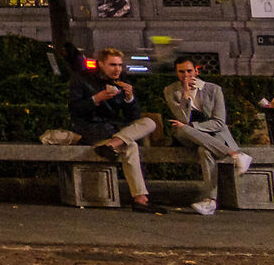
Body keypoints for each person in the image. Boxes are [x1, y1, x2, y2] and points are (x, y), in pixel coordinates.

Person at [69, 47, 156, 212]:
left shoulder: (121, 80)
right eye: (112, 65)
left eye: (120, 65)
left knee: (149, 122)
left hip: (114, 132)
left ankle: (111, 146)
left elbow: (133, 117)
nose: (117, 69)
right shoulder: (82, 79)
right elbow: (74, 109)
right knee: (131, 146)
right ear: (101, 64)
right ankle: (140, 199)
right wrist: (97, 99)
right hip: (92, 130)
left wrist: (130, 98)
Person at [164, 57, 251, 216]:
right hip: (186, 137)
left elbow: (219, 122)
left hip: (213, 137)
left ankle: (210, 201)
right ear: (176, 73)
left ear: (196, 71)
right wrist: (185, 95)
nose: (186, 75)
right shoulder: (171, 90)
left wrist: (193, 126)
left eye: (189, 71)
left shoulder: (213, 89)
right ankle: (235, 154)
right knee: (181, 130)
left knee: (205, 151)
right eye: (181, 72)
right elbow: (182, 119)